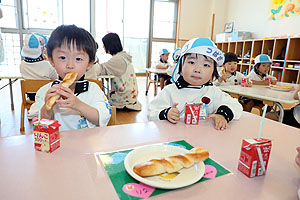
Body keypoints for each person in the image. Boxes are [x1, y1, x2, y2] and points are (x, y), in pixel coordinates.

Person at [29, 25, 111, 131]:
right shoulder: (44, 92)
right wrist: (46, 108)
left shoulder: (93, 89)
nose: (70, 65)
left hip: (88, 143)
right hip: (58, 144)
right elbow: (39, 125)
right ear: (51, 60)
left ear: (89, 64)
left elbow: (102, 119)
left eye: (78, 59)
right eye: (63, 57)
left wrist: (78, 105)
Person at [148, 38, 243, 130]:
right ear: (181, 66)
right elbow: (151, 112)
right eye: (192, 62)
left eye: (206, 65)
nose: (197, 70)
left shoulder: (213, 91)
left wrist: (222, 114)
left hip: (203, 141)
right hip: (175, 140)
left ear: (213, 71)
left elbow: (236, 105)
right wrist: (166, 113)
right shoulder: (170, 91)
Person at [86, 33, 141, 111]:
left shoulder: (118, 59)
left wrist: (86, 66)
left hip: (124, 97)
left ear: (109, 45)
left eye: (104, 44)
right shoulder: (123, 56)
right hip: (130, 95)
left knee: (100, 102)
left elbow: (101, 69)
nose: (103, 47)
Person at [20, 33, 58, 100]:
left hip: (31, 97)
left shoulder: (22, 65)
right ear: (42, 49)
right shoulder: (48, 65)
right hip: (46, 96)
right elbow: (55, 78)